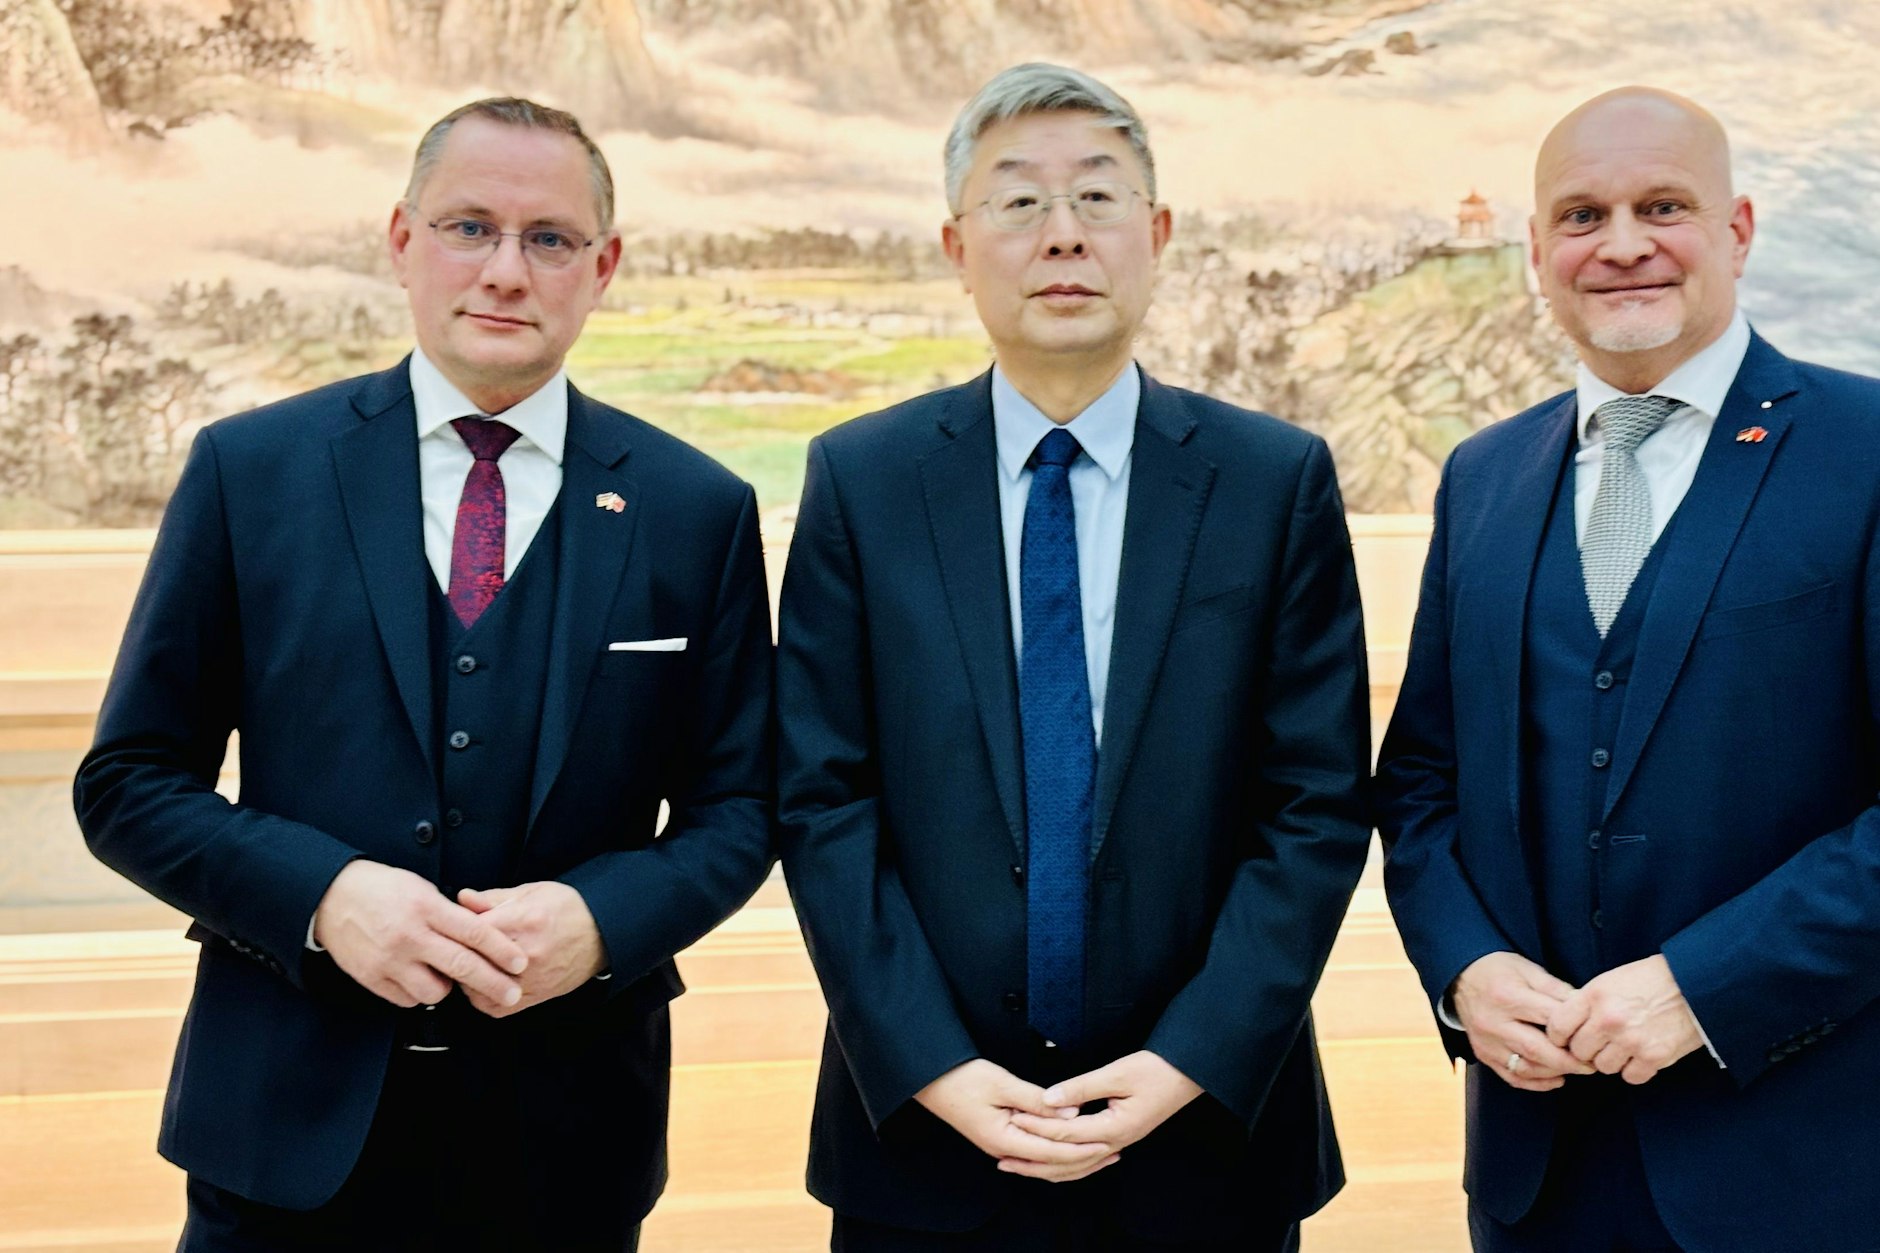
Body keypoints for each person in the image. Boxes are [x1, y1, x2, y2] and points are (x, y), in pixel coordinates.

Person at [73, 97, 774, 1252]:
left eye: (548, 238)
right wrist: (324, 894)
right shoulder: (250, 473)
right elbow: (131, 781)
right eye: (468, 227)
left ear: (601, 267)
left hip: (569, 1141)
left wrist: (601, 919)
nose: (506, 269)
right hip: (280, 1134)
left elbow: (740, 807)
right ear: (401, 241)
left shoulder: (694, 509)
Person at [777, 62, 1371, 1251]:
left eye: (1097, 199)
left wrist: (1189, 1059)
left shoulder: (1270, 481)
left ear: (1153, 235)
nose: (1061, 235)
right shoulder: (864, 480)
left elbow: (1312, 803)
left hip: (1205, 1137)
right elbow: (821, 796)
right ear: (955, 245)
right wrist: (932, 1062)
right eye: (1016, 203)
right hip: (923, 1140)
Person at [1376, 86, 1880, 1251]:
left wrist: (1706, 984)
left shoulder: (1865, 454)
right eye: (1579, 214)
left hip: (1804, 1169)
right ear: (1536, 255)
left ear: (1738, 229)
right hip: (1534, 1175)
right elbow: (1418, 785)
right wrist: (1463, 967)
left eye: (1662, 205)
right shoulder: (1482, 478)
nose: (1620, 244)